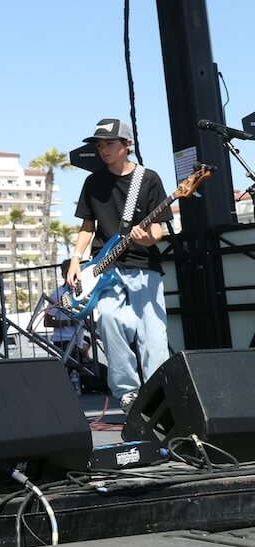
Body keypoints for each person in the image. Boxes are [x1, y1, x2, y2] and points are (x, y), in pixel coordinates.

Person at [68, 117, 170, 414]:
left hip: (145, 268)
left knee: (153, 337)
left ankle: (158, 394)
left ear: (128, 145)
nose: (103, 150)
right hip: (106, 271)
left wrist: (144, 238)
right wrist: (76, 258)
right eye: (100, 145)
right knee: (110, 321)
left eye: (109, 143)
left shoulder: (148, 179)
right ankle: (128, 394)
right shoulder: (93, 182)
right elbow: (88, 226)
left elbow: (159, 232)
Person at [44, 259, 89, 394]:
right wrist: (69, 322)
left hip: (78, 341)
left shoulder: (84, 291)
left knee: (81, 370)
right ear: (65, 274)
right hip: (63, 340)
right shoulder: (58, 293)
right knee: (71, 370)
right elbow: (47, 321)